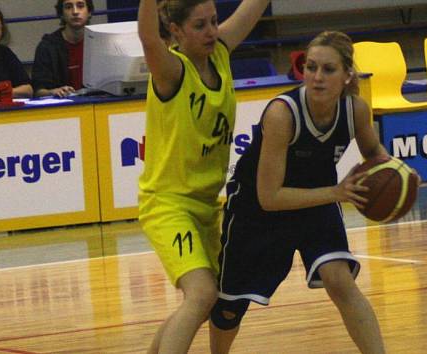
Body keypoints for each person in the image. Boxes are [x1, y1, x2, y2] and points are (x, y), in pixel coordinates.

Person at [209, 31, 390, 354]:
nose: (317, 77)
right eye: (310, 67)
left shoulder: (356, 110)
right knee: (229, 308)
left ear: (347, 75)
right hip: (257, 209)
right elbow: (270, 197)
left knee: (340, 280)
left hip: (316, 201)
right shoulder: (282, 113)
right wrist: (336, 192)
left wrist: (400, 173)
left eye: (328, 69)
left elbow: (375, 153)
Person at [136, 0, 270, 352]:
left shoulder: (220, 53)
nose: (212, 30)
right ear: (176, 31)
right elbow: (149, 39)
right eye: (200, 25)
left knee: (207, 299)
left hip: (208, 205)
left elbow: (252, 9)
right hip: (168, 204)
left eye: (214, 21)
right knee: (202, 293)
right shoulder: (172, 70)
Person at [31, 0, 93, 97]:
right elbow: (38, 91)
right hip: (61, 107)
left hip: (97, 104)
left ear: (89, 12)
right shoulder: (47, 47)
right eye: (68, 7)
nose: (75, 12)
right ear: (61, 14)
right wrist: (53, 92)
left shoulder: (100, 42)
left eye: (80, 6)